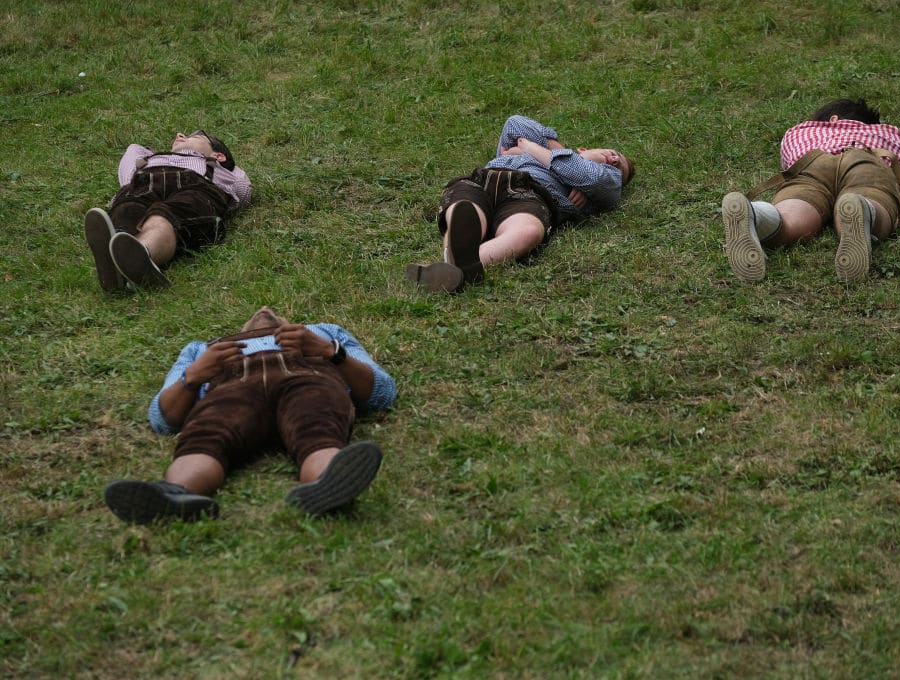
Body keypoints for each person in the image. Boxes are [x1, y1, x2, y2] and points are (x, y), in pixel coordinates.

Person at [103, 306, 397, 524]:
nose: (264, 309)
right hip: (233, 393)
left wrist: (330, 351)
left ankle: (327, 483)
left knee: (317, 427)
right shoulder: (201, 350)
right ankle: (174, 494)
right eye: (258, 311)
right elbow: (161, 419)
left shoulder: (325, 332)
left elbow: (383, 393)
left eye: (274, 311)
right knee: (208, 435)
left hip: (308, 383)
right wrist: (194, 376)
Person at [406, 115, 636, 292]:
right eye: (613, 153)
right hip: (483, 180)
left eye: (617, 166)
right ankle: (460, 255)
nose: (614, 160)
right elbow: (515, 123)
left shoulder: (607, 184)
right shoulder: (567, 161)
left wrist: (529, 149)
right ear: (582, 149)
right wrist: (557, 157)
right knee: (466, 211)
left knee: (527, 231)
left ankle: (455, 269)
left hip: (532, 194)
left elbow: (593, 178)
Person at [722, 98, 900, 283]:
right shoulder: (890, 133)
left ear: (832, 120)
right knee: (871, 193)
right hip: (866, 159)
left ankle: (758, 216)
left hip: (813, 163)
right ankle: (865, 210)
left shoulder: (799, 132)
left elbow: (788, 160)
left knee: (795, 205)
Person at [85, 130, 252, 291]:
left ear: (218, 155)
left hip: (196, 188)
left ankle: (139, 254)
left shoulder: (221, 171)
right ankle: (121, 256)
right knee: (128, 209)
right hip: (144, 183)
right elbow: (133, 149)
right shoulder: (148, 160)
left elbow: (244, 189)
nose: (179, 135)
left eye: (196, 136)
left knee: (166, 216)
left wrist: (226, 164)